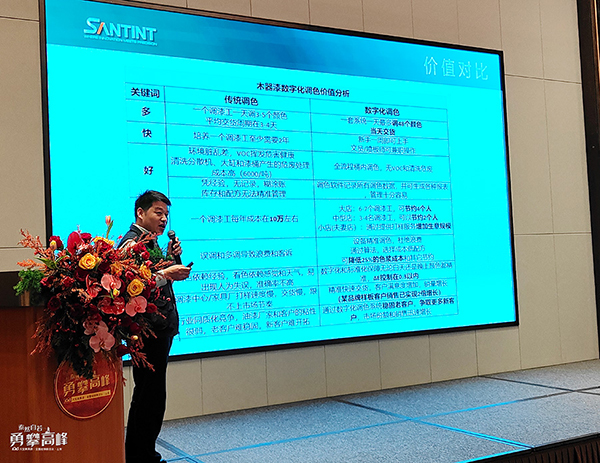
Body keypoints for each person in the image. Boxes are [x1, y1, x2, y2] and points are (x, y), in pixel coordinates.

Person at [119, 190, 191, 463]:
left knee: (152, 394)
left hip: (159, 327)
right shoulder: (131, 242)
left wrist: (171, 260)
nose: (163, 219)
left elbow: (154, 281)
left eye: (166, 215)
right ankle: (141, 456)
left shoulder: (152, 242)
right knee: (148, 395)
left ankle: (143, 454)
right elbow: (130, 284)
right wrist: (166, 273)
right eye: (158, 213)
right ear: (141, 213)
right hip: (146, 330)